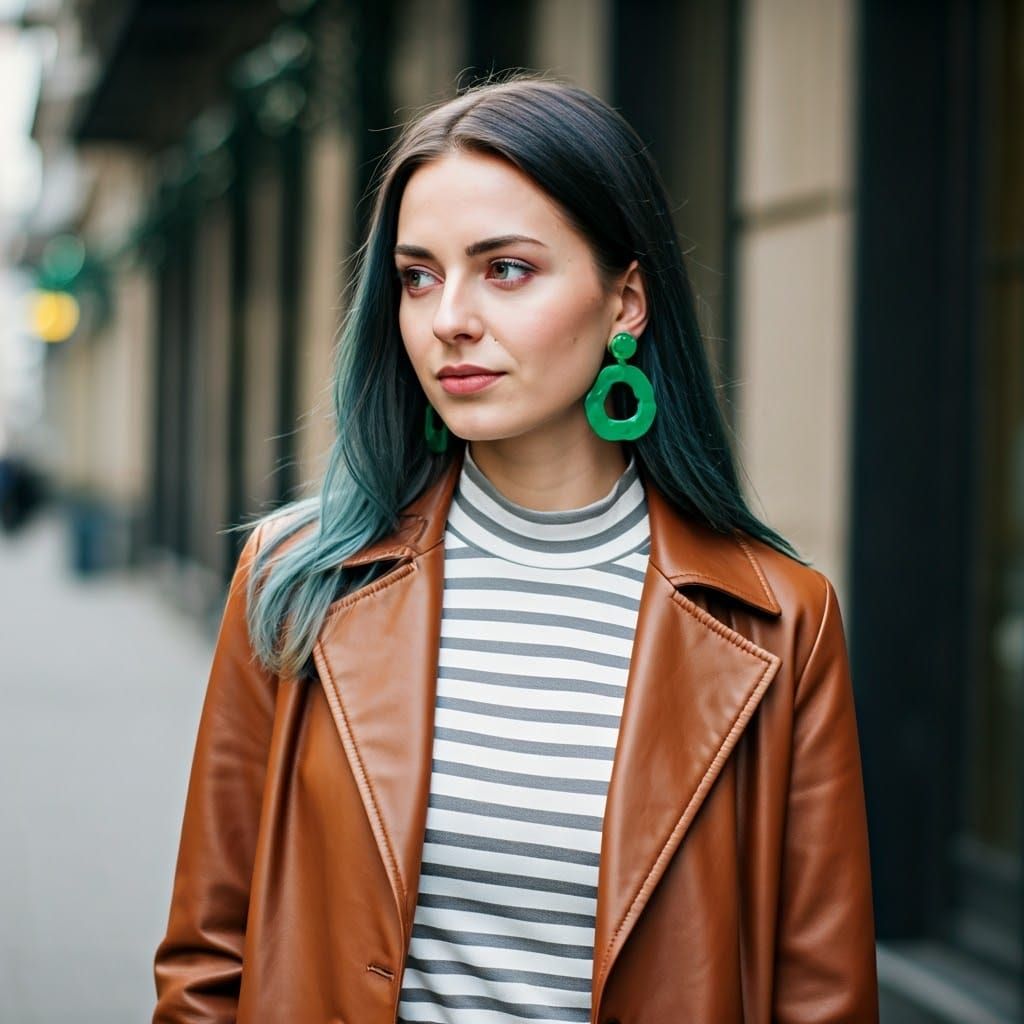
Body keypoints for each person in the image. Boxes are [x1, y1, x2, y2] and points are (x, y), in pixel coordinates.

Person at [153, 73, 879, 1023]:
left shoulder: (778, 622)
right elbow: (207, 964)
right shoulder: (298, 579)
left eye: (505, 269)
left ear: (625, 302)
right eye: (418, 276)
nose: (448, 317)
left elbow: (822, 997)